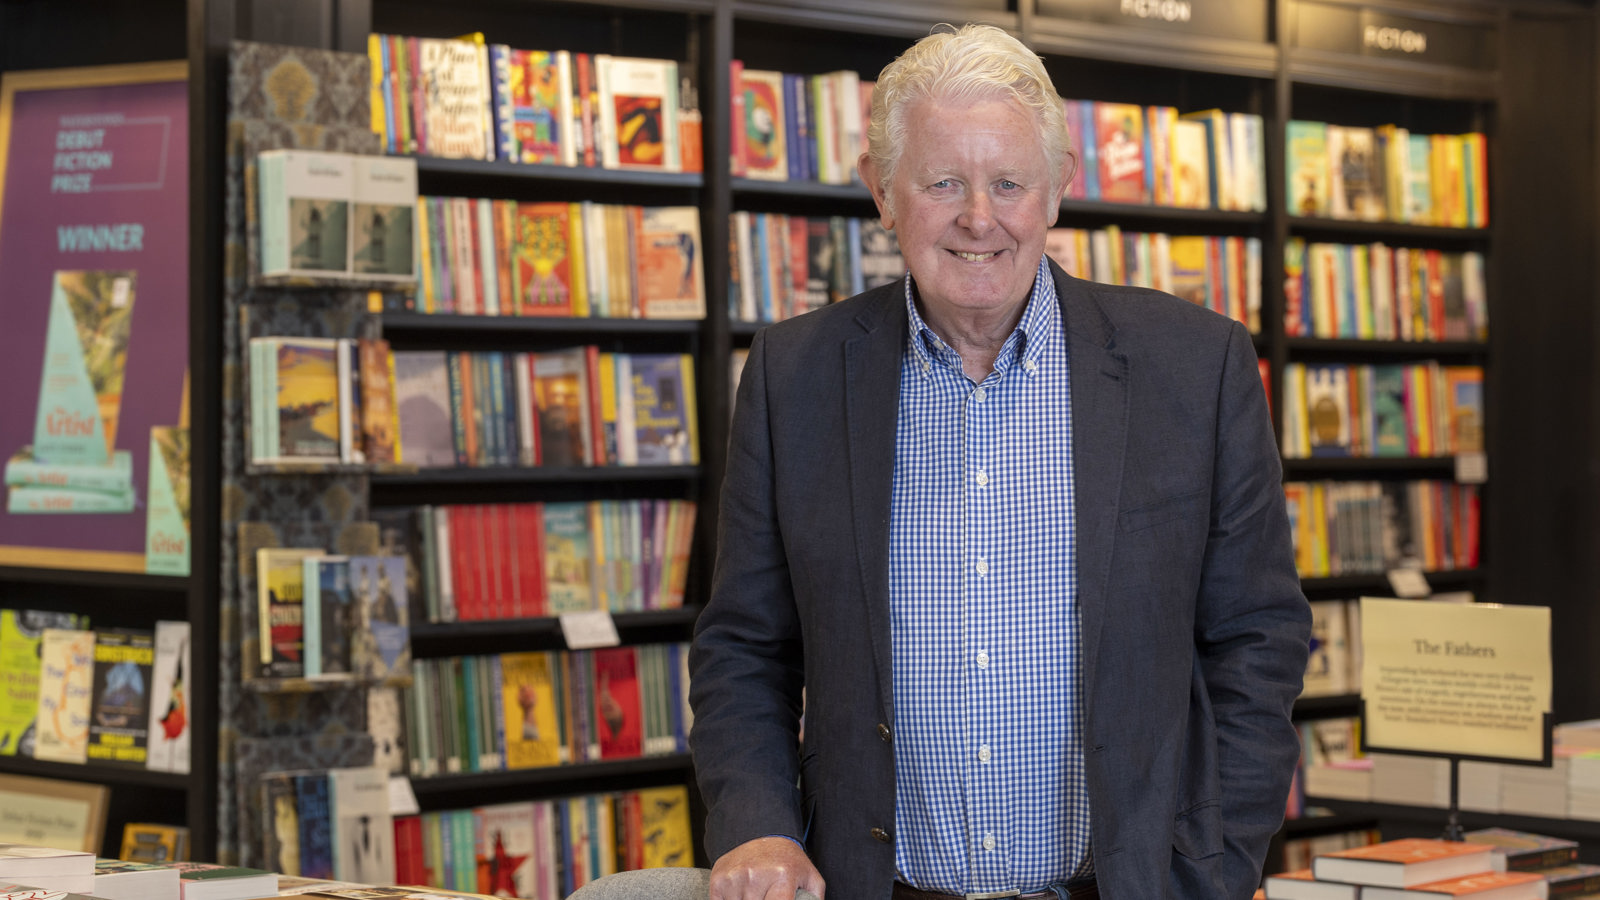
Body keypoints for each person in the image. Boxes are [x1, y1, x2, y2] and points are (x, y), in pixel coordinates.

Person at [689, 23, 1310, 900]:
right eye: (943, 181)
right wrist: (757, 824)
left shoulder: (1195, 367)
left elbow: (1259, 637)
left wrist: (1215, 865)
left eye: (1009, 182)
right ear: (883, 191)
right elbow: (744, 647)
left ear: (1058, 189)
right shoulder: (794, 377)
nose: (979, 217)